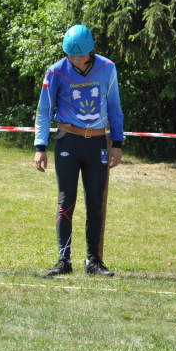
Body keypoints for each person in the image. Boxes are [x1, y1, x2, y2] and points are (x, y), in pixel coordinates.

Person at [33, 25, 123, 277]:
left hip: (98, 143)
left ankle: (93, 261)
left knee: (95, 201)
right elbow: (44, 110)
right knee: (66, 200)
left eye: (80, 55)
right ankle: (63, 260)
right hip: (68, 141)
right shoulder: (55, 72)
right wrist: (40, 147)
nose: (76, 60)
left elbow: (114, 106)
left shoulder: (107, 67)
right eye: (71, 55)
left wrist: (117, 143)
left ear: (90, 50)